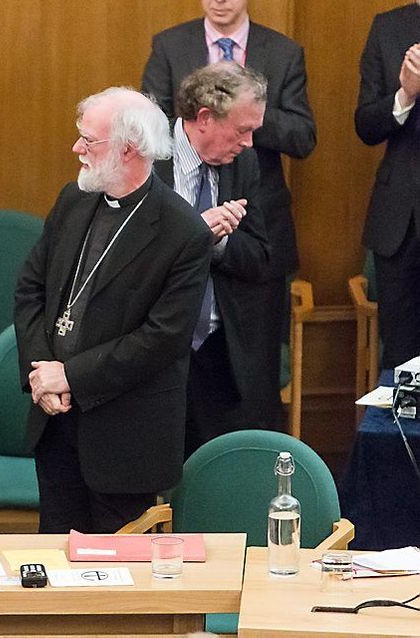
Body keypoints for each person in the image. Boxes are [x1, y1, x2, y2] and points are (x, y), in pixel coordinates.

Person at [14, 88, 212, 534]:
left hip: (125, 437)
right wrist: (40, 371)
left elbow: (163, 338)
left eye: (89, 140)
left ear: (128, 147)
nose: (76, 149)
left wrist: (69, 376)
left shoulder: (182, 232)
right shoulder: (74, 199)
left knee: (118, 581)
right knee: (57, 567)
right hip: (56, 420)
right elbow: (31, 288)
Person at [142, 0, 316, 389]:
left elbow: (304, 137)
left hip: (252, 230)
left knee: (249, 385)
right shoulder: (170, 45)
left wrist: (241, 111)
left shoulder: (283, 52)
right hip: (169, 286)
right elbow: (151, 120)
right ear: (201, 117)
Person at [153, 63, 273, 457]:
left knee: (213, 483)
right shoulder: (146, 158)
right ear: (204, 118)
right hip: (153, 351)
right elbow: (123, 258)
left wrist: (219, 243)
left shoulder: (245, 164)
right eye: (243, 130)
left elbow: (260, 257)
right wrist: (196, 233)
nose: (250, 142)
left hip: (219, 354)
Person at [355, 3, 420, 370]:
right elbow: (365, 124)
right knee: (402, 359)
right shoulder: (388, 27)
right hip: (401, 221)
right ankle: (404, 429)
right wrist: (405, 95)